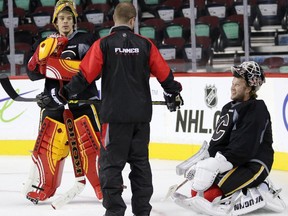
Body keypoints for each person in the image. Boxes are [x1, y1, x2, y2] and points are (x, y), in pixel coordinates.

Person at [46, 2, 184, 215]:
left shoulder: (104, 44)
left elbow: (84, 76)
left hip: (114, 118)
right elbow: (165, 75)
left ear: (114, 20)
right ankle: (142, 211)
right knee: (140, 167)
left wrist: (63, 95)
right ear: (132, 20)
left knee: (111, 167)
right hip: (140, 117)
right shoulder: (145, 44)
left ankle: (115, 212)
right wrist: (173, 92)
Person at [172, 61, 286, 216]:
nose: (232, 87)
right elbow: (218, 141)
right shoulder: (228, 108)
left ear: (248, 89)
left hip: (254, 163)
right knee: (196, 192)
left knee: (210, 195)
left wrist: (218, 163)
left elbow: (245, 148)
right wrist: (205, 161)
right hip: (233, 160)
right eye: (233, 83)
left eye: (237, 84)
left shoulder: (257, 109)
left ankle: (263, 187)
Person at [23, 0, 102, 204]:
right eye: (61, 18)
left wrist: (67, 67)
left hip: (84, 101)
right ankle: (45, 188)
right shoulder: (46, 41)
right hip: (53, 103)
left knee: (91, 146)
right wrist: (38, 58)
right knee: (49, 147)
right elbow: (32, 73)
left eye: (69, 18)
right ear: (55, 22)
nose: (65, 21)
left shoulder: (87, 39)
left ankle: (104, 187)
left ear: (74, 21)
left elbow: (98, 71)